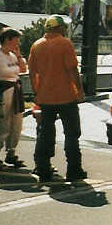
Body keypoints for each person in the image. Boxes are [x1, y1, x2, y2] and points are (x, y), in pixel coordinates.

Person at [27, 15, 87, 182]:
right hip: (66, 97)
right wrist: (80, 91)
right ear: (60, 28)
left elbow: (32, 74)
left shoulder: (36, 45)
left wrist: (36, 93)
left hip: (45, 98)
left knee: (44, 134)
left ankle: (43, 169)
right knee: (72, 134)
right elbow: (72, 70)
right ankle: (74, 170)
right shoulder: (65, 43)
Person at [0, 27, 27, 170]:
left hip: (15, 91)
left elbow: (23, 70)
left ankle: (11, 153)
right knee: (2, 125)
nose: (18, 44)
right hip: (2, 92)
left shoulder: (12, 55)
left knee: (16, 125)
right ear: (7, 39)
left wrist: (19, 55)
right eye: (16, 40)